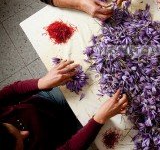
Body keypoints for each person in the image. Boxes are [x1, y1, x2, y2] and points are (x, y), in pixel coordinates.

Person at [0, 60, 128, 150]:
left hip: (46, 102)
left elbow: (13, 91)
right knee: (114, 123)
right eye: (21, 142)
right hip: (64, 135)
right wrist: (99, 119)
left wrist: (41, 83)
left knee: (88, 85)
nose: (26, 133)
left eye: (15, 128)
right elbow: (70, 147)